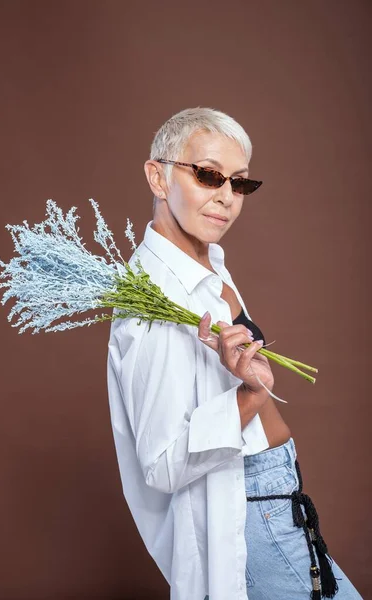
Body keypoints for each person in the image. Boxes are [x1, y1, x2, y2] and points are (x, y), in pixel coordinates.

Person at [106, 107, 363, 600]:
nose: (226, 196)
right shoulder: (154, 301)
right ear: (157, 176)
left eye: (239, 183)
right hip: (250, 511)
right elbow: (160, 466)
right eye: (208, 175)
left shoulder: (206, 265)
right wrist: (249, 396)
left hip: (276, 497)